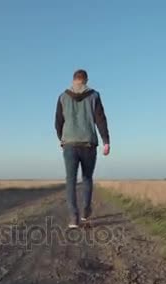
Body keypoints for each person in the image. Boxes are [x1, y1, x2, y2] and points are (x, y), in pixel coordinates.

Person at [55, 69, 110, 228]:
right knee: (87, 178)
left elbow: (58, 122)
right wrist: (106, 141)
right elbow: (101, 119)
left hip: (69, 144)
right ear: (86, 80)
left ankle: (73, 218)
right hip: (88, 144)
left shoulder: (62, 97)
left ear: (73, 80)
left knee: (70, 181)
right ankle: (85, 211)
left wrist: (63, 138)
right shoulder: (94, 95)